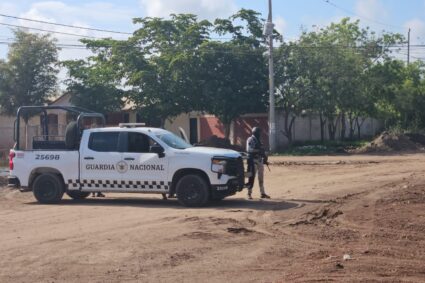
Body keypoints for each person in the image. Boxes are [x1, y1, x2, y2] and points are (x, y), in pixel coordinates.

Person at [245, 127, 270, 199]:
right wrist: (258, 150)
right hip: (253, 161)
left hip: (260, 161)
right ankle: (249, 193)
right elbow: (249, 150)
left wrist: (265, 158)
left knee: (261, 178)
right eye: (259, 133)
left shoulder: (259, 140)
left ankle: (262, 193)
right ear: (255, 133)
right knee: (251, 177)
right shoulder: (250, 139)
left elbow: (262, 150)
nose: (260, 134)